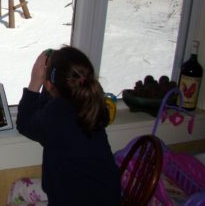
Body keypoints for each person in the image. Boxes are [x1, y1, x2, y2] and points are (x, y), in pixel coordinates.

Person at [10, 46, 121, 206]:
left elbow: (25, 123)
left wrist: (35, 81)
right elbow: (50, 106)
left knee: (18, 190)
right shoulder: (91, 104)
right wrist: (50, 83)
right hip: (106, 196)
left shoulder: (55, 116)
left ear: (49, 85)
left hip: (73, 200)